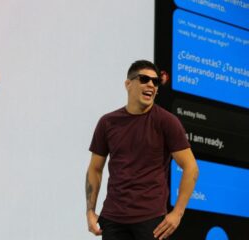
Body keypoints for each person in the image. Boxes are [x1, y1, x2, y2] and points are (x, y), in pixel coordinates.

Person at [85, 60, 198, 240]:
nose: (151, 85)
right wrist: (90, 211)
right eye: (144, 79)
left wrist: (177, 213)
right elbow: (95, 168)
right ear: (128, 84)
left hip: (151, 221)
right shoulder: (107, 123)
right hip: (113, 220)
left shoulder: (167, 122)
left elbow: (191, 167)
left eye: (155, 82)